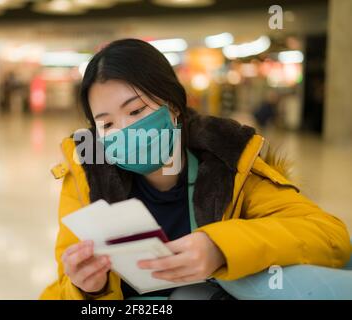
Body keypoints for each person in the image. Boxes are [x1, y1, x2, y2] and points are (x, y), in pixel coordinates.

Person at [40, 39, 350, 300]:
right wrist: (86, 289)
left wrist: (220, 247)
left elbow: (329, 236)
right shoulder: (86, 180)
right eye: (106, 123)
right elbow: (63, 288)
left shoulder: (229, 165)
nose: (124, 130)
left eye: (136, 111)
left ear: (173, 105)